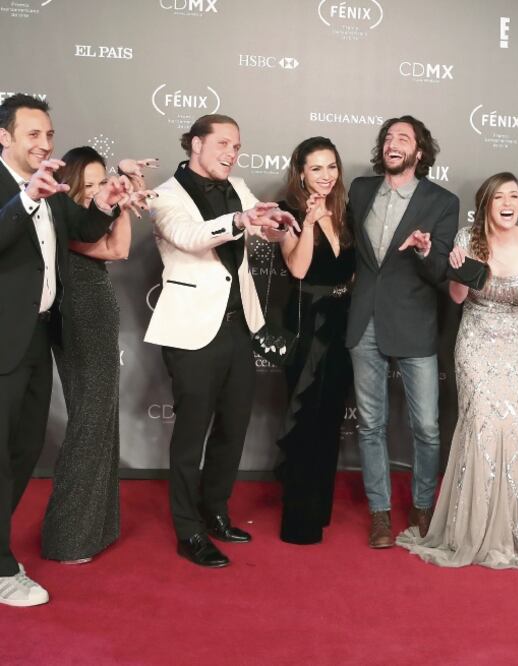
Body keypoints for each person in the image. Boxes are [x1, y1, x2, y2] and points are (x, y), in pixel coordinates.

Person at [145, 114, 294, 568]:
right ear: (195, 143)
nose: (232, 153)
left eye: (237, 146)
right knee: (191, 435)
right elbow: (190, 238)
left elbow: (260, 226)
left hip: (238, 325)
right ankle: (188, 530)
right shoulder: (164, 196)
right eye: (224, 144)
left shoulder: (240, 186)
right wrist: (238, 218)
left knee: (234, 427)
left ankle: (215, 510)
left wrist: (276, 223)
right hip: (192, 330)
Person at [0, 94, 128, 606]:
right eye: (33, 134)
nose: (44, 144)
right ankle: (3, 568)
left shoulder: (51, 188)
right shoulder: (28, 190)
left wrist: (103, 203)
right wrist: (27, 197)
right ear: (4, 136)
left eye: (49, 134)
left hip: (33, 338)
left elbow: (85, 233)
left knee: (25, 449)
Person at [397, 172, 518, 568]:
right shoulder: (466, 238)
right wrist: (456, 269)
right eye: (500, 196)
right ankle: (467, 529)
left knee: (516, 432)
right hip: (476, 341)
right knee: (481, 428)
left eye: (515, 197)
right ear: (486, 203)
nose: (508, 203)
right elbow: (457, 297)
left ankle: (507, 532)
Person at [345, 115, 459, 548]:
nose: (393, 143)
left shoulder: (442, 201)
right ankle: (379, 513)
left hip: (414, 324)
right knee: (371, 424)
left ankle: (423, 504)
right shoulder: (359, 190)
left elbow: (441, 272)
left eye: (403, 139)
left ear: (419, 152)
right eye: (388, 137)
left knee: (426, 427)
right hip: (364, 323)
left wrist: (428, 251)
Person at [42, 147, 150, 564]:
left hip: (98, 313)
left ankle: (95, 530)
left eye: (98, 184)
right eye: (85, 186)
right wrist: (113, 204)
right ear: (66, 187)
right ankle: (66, 538)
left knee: (101, 420)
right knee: (89, 423)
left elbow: (120, 243)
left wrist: (118, 198)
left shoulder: (95, 216)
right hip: (77, 316)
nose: (93, 194)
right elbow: (114, 251)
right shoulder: (61, 222)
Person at [274, 137, 355, 545]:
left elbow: (346, 262)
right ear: (301, 172)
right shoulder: (285, 211)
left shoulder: (344, 209)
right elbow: (300, 269)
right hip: (308, 321)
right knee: (305, 417)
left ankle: (318, 508)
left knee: (328, 420)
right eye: (316, 168)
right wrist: (307, 223)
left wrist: (326, 218)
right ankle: (298, 521)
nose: (326, 175)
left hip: (342, 323)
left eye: (331, 167)